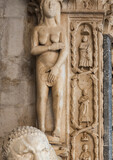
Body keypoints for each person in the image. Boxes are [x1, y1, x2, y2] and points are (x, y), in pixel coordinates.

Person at [31, 0, 68, 138]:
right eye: (48, 3)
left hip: (57, 67)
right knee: (41, 96)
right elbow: (33, 49)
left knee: (58, 95)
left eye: (54, 3)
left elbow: (65, 51)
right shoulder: (37, 29)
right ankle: (41, 127)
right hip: (41, 65)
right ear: (42, 7)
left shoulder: (61, 29)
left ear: (58, 7)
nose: (51, 5)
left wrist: (57, 67)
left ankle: (57, 127)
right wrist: (50, 47)